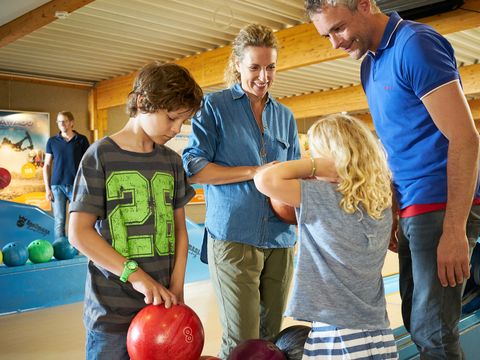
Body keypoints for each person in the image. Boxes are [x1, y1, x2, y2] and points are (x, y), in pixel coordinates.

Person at [305, 1, 480, 358]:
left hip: (442, 205)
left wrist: (455, 228)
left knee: (434, 331)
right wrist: (394, 213)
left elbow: (466, 138)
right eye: (326, 35)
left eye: (338, 29)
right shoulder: (369, 66)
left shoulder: (415, 44)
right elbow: (395, 148)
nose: (334, 44)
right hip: (414, 209)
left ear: (366, 5)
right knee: (417, 323)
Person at [68, 62, 203, 360]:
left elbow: (181, 229)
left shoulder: (171, 161)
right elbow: (78, 233)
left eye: (183, 121)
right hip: (112, 316)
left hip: (162, 311)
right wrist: (137, 276)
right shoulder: (100, 155)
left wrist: (178, 284)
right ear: (143, 102)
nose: (176, 129)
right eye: (171, 118)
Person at [182, 23, 301, 358]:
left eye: (271, 67)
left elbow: (295, 173)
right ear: (237, 64)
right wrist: (255, 173)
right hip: (234, 238)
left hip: (280, 240)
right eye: (254, 67)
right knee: (242, 343)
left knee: (272, 343)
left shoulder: (285, 117)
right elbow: (195, 168)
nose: (263, 76)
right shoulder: (214, 107)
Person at [254, 113, 398, 359]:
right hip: (379, 329)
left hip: (337, 330)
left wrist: (317, 166)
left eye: (315, 152)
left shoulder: (322, 196)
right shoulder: (380, 201)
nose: (311, 158)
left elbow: (264, 178)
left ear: (331, 157)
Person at [43, 111, 89, 240]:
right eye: (59, 121)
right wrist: (47, 189)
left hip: (77, 186)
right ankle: (60, 250)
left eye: (64, 121)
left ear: (72, 122)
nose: (61, 124)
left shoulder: (82, 140)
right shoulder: (52, 141)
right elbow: (46, 165)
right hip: (57, 186)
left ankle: (75, 248)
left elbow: (88, 164)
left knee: (78, 221)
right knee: (59, 220)